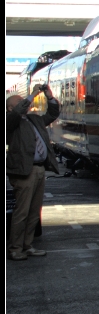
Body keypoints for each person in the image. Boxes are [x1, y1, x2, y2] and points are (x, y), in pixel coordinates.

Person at [6, 83, 60, 261]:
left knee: (34, 211)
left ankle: (27, 245)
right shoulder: (10, 121)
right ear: (10, 107)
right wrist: (31, 94)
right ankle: (15, 247)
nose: (26, 104)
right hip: (23, 171)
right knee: (21, 212)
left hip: (38, 169)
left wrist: (49, 97)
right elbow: (17, 112)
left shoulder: (34, 119)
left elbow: (52, 114)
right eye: (20, 102)